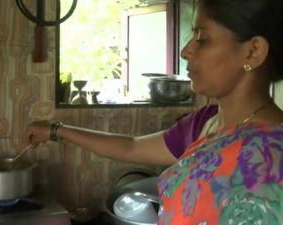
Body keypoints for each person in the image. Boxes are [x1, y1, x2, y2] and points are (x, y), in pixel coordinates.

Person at [26, 0, 283, 224]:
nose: (186, 51)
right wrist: (55, 130)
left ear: (253, 51)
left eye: (202, 39)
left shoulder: (276, 154)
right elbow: (131, 147)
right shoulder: (205, 125)